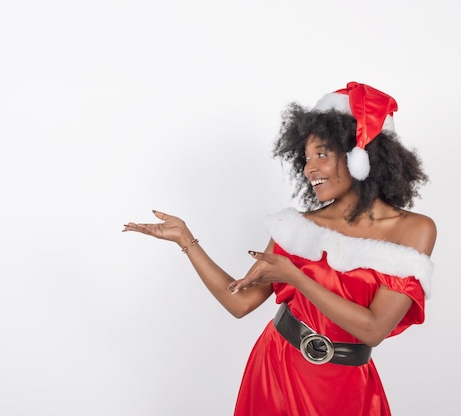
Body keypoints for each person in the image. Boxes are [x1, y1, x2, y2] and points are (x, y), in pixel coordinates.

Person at [123, 81, 437, 416]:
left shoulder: (414, 229)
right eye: (305, 157)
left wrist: (298, 278)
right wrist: (187, 241)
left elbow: (374, 329)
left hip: (348, 385)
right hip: (277, 370)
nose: (309, 168)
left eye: (321, 154)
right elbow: (240, 302)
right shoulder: (295, 227)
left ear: (360, 155)